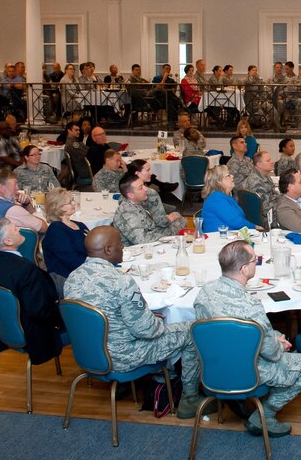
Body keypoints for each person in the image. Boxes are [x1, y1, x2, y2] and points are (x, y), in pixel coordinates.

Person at [64, 226, 207, 419]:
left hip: (90, 353)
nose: (123, 247)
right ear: (107, 250)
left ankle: (167, 380)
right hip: (124, 356)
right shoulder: (121, 281)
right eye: (119, 244)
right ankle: (190, 400)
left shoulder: (73, 278)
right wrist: (152, 320)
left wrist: (145, 317)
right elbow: (147, 331)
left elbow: (105, 316)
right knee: (193, 330)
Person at [194, 240, 301, 437]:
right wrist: (281, 345)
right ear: (244, 269)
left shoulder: (204, 293)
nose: (256, 263)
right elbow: (271, 353)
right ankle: (264, 416)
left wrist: (273, 338)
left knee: (273, 338)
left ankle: (238, 402)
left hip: (213, 371)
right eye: (255, 260)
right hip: (249, 372)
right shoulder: (250, 306)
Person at [0, 218, 65, 365]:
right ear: (8, 241)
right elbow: (40, 311)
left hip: (3, 328)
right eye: (15, 229)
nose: (20, 229)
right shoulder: (25, 270)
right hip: (34, 333)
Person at [112, 173, 185, 245]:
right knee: (180, 224)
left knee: (179, 220)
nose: (146, 189)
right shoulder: (127, 212)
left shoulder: (135, 204)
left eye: (144, 185)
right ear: (131, 195)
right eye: (141, 188)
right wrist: (167, 238)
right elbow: (142, 240)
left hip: (152, 237)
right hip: (138, 250)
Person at [41, 188, 89, 280]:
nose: (74, 203)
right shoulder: (56, 231)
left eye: (73, 200)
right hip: (69, 279)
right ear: (59, 207)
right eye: (70, 202)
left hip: (86, 271)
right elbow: (72, 261)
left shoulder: (80, 225)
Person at [0, 169, 48, 234]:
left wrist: (27, 203)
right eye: (15, 184)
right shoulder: (12, 210)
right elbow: (43, 227)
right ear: (2, 187)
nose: (17, 188)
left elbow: (30, 214)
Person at [199, 165, 259, 233]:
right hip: (219, 239)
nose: (232, 176)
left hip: (229, 236)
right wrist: (257, 227)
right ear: (218, 181)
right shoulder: (216, 199)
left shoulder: (225, 196)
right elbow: (237, 223)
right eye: (228, 175)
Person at [239, 151, 279, 226]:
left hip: (269, 213)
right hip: (267, 219)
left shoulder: (265, 175)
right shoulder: (256, 182)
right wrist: (283, 201)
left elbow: (273, 194)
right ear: (259, 164)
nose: (272, 162)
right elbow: (265, 208)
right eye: (268, 161)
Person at [63, 121, 91, 188]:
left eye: (79, 130)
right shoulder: (73, 145)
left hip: (82, 170)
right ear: (69, 131)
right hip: (85, 172)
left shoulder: (74, 142)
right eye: (76, 130)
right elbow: (89, 154)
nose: (79, 132)